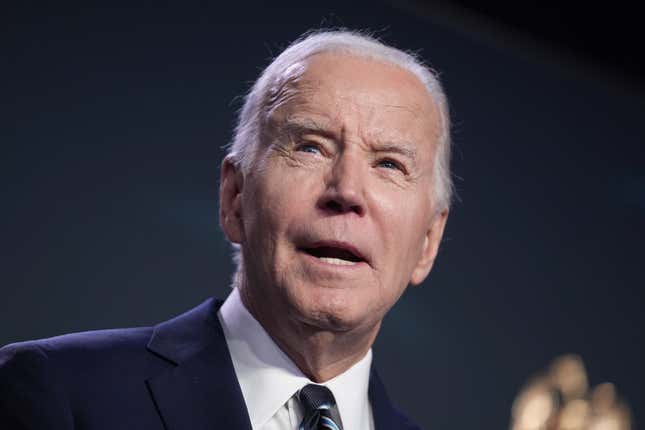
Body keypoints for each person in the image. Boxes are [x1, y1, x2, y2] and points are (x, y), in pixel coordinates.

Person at [0, 29, 452, 430]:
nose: (347, 190)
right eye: (310, 147)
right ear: (235, 198)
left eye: (389, 164)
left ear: (428, 241)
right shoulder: (58, 392)